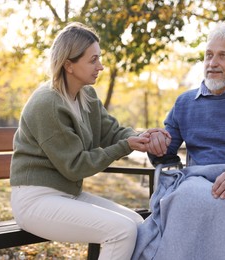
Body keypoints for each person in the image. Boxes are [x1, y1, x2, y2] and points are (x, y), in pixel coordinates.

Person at [10, 22, 170, 260]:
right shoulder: (48, 103)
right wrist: (125, 146)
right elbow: (76, 167)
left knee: (138, 223)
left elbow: (112, 131)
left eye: (99, 59)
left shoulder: (86, 96)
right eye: (93, 60)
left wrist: (140, 137)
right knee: (122, 231)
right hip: (35, 200)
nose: (101, 66)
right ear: (69, 65)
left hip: (67, 194)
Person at [132, 22, 225, 260]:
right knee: (185, 198)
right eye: (209, 55)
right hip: (196, 178)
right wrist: (156, 144)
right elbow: (166, 152)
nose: (212, 63)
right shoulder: (185, 102)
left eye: (223, 56)